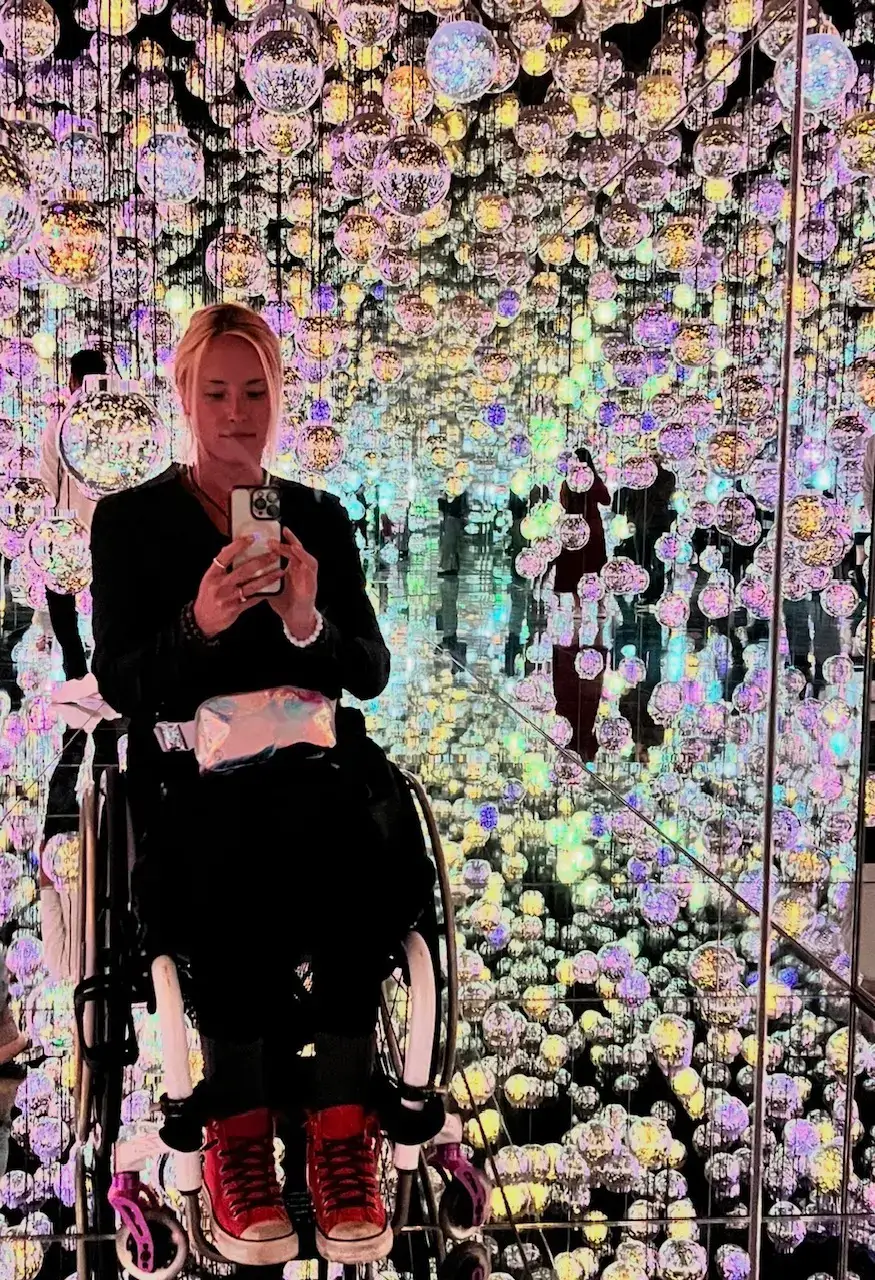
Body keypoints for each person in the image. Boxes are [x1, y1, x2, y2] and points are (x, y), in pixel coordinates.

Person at [90, 304, 429, 1267]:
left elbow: (369, 671)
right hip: (198, 780)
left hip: (314, 770)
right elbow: (122, 681)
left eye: (253, 392)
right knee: (224, 845)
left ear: (278, 399)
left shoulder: (314, 516)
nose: (236, 413)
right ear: (184, 398)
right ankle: (236, 1132)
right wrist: (196, 624)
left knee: (357, 841)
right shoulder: (131, 522)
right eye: (216, 393)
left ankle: (341, 1130)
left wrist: (306, 620)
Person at [40, 349, 109, 680]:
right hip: (108, 529)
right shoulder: (118, 424)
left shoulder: (59, 424)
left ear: (71, 381)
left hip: (68, 530)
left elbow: (46, 485)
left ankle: (76, 673)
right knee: (106, 603)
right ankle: (104, 672)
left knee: (60, 600)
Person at [552, 448, 611, 604]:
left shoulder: (570, 482)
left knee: (575, 565)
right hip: (590, 527)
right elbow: (606, 500)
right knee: (594, 564)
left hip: (574, 528)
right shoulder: (593, 481)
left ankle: (578, 605)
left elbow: (564, 503)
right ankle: (600, 604)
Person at [438, 488, 469, 576]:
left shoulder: (460, 496)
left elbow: (459, 510)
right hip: (448, 521)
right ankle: (449, 566)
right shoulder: (446, 495)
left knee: (452, 544)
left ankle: (451, 567)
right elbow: (443, 508)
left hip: (455, 522)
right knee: (448, 545)